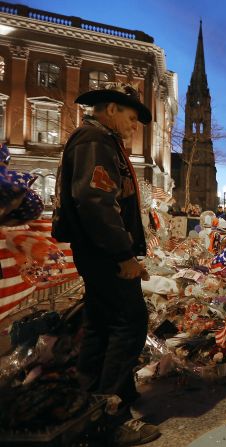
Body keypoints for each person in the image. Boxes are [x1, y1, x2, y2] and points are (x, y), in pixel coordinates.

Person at [53, 84, 160, 445]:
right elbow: (96, 202)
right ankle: (112, 417)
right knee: (130, 321)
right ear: (111, 109)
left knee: (100, 322)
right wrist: (123, 255)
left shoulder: (98, 139)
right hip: (103, 251)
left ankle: (92, 400)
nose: (134, 127)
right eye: (131, 118)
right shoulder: (95, 141)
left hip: (97, 250)